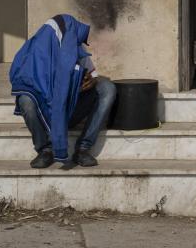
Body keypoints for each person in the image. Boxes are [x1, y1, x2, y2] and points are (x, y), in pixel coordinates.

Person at [9, 14, 116, 168]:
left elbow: (91, 74)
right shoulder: (34, 54)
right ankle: (45, 150)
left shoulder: (76, 47)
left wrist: (91, 81)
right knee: (25, 99)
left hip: (72, 108)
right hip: (46, 113)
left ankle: (83, 148)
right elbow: (24, 82)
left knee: (107, 88)